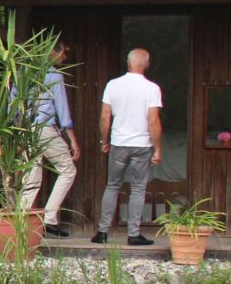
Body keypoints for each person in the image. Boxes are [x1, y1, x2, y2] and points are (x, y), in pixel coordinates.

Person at [92, 48, 163, 246]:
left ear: (128, 63)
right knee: (138, 188)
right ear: (147, 64)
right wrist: (157, 148)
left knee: (113, 185)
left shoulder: (113, 85)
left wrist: (103, 141)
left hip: (119, 143)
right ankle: (133, 234)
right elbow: (154, 121)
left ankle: (102, 232)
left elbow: (105, 116)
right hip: (142, 145)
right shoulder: (152, 88)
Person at [20, 41, 81, 237]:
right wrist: (72, 139)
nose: (65, 58)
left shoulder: (23, 72)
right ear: (52, 53)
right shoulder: (54, 75)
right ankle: (49, 218)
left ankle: (22, 222)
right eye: (63, 53)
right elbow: (62, 110)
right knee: (68, 169)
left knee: (32, 175)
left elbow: (12, 105)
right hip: (44, 128)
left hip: (24, 129)